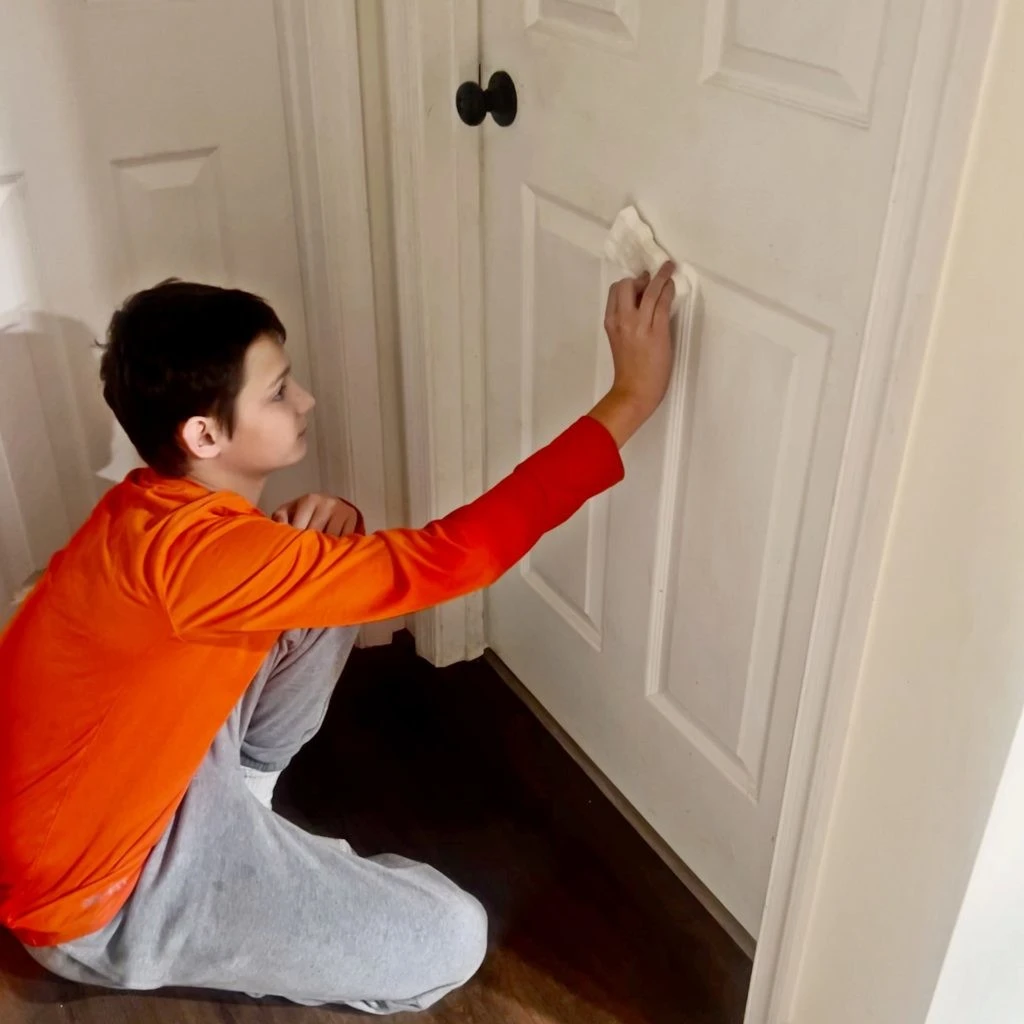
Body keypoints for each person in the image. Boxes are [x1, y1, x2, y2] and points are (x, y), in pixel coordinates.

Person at [0, 263, 676, 1013]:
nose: (305, 400)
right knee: (454, 937)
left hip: (139, 783)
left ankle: (248, 796)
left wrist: (314, 536)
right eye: (279, 391)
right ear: (204, 433)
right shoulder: (204, 561)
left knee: (329, 561)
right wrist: (630, 399)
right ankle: (185, 916)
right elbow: (461, 556)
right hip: (101, 900)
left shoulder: (144, 508)